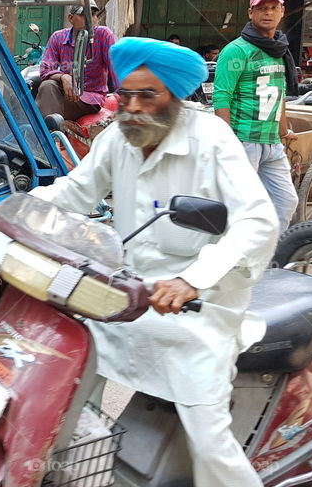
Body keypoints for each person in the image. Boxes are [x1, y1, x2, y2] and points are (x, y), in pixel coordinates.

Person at [31, 37, 277, 487]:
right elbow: (74, 193)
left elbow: (258, 222)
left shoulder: (212, 139)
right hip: (128, 296)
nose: (134, 107)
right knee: (66, 391)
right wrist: (15, 214)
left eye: (148, 95)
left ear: (174, 98)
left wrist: (193, 280)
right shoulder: (117, 137)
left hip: (199, 310)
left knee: (209, 441)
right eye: (126, 95)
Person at [213, 0, 298, 234]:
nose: (268, 13)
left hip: (272, 143)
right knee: (239, 207)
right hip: (244, 141)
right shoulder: (236, 50)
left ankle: (264, 257)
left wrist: (284, 131)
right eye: (262, 8)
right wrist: (227, 140)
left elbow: (279, 93)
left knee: (285, 202)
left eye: (273, 8)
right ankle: (228, 260)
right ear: (251, 13)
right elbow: (221, 96)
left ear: (282, 12)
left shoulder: (279, 50)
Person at [36, 0, 118, 121]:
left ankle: (48, 133)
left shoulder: (103, 35)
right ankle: (49, 131)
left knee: (46, 105)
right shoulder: (58, 37)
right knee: (47, 86)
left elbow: (116, 68)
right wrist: (63, 77)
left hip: (90, 98)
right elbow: (45, 70)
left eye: (93, 15)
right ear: (71, 18)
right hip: (67, 94)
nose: (90, 20)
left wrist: (123, 98)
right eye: (83, 15)